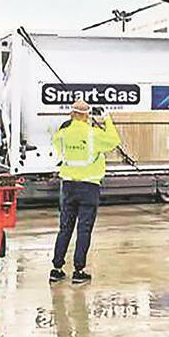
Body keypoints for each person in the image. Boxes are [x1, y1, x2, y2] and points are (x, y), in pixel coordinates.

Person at [50, 99, 121, 285]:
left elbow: (56, 142)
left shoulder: (61, 135)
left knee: (65, 227)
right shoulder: (93, 134)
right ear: (87, 115)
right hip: (89, 186)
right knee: (84, 229)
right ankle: (78, 271)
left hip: (67, 186)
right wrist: (106, 118)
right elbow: (114, 140)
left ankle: (56, 269)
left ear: (71, 114)